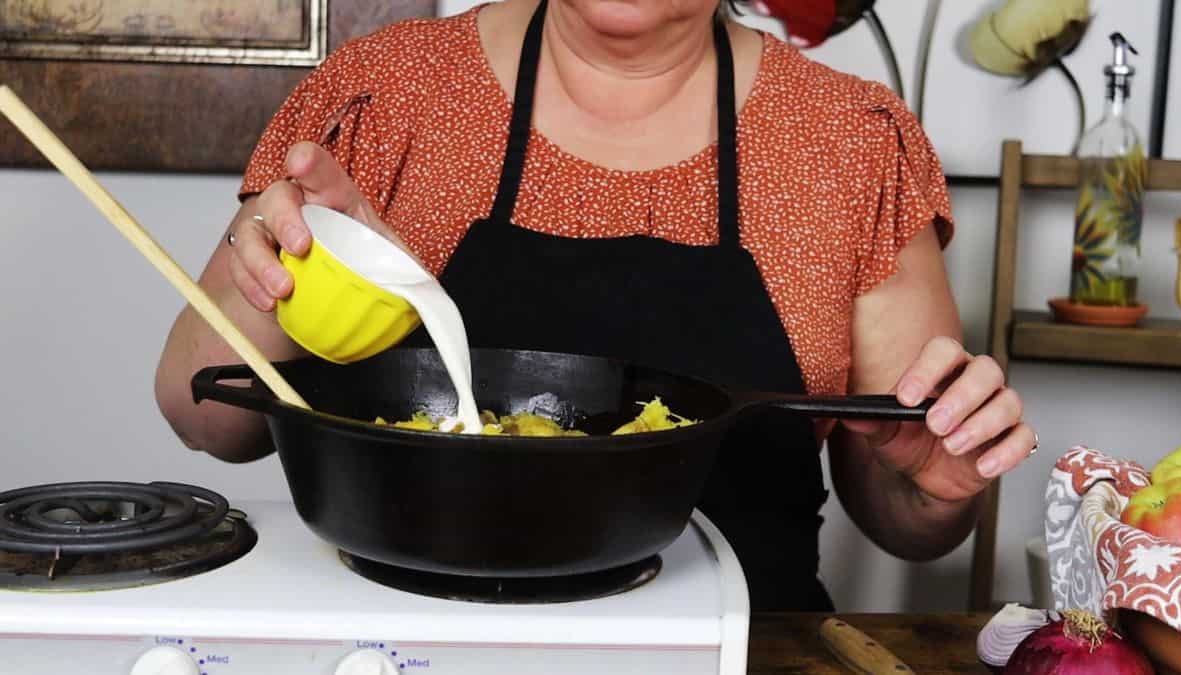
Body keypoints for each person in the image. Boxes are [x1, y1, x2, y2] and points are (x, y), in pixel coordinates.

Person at [155, 0, 1037, 611]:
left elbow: (906, 519)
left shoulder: (847, 142)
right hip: (426, 646)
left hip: (743, 647)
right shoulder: (391, 95)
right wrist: (288, 267)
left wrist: (930, 485)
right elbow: (202, 416)